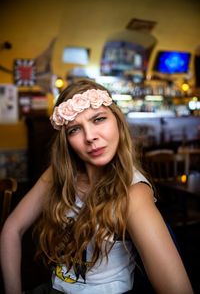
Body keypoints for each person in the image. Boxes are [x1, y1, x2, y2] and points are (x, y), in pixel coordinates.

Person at [0, 79, 194, 294]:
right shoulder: (60, 173)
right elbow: (12, 229)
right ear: (66, 140)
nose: (90, 137)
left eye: (99, 119)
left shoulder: (132, 193)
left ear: (118, 121)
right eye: (74, 129)